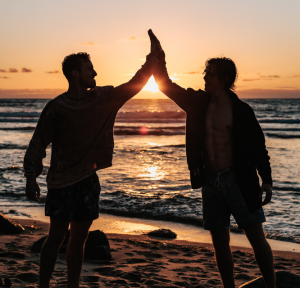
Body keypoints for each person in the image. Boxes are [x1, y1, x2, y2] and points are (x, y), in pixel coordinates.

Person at [24, 43, 159, 288]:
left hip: (88, 181)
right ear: (75, 73)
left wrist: (152, 60)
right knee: (55, 237)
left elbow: (133, 85)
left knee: (79, 239)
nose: (95, 74)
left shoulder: (102, 98)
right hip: (61, 183)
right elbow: (38, 143)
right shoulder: (57, 108)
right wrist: (31, 177)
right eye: (90, 69)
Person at [149, 30, 276, 288]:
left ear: (224, 78)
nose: (205, 76)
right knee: (220, 242)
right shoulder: (197, 102)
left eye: (210, 73)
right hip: (211, 183)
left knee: (256, 237)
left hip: (240, 181)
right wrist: (158, 54)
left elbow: (257, 147)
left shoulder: (241, 111)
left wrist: (267, 179)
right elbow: (166, 84)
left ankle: (272, 285)